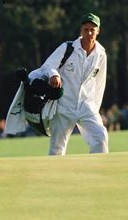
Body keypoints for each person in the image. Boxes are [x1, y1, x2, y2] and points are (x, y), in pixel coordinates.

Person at [39, 13, 108, 155]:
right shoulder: (67, 48)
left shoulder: (101, 54)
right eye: (86, 29)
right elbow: (47, 66)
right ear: (81, 30)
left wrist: (94, 107)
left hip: (87, 106)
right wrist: (54, 74)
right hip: (64, 105)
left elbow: (100, 83)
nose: (89, 33)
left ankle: (98, 172)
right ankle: (56, 176)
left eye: (92, 30)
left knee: (100, 137)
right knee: (57, 148)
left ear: (98, 31)